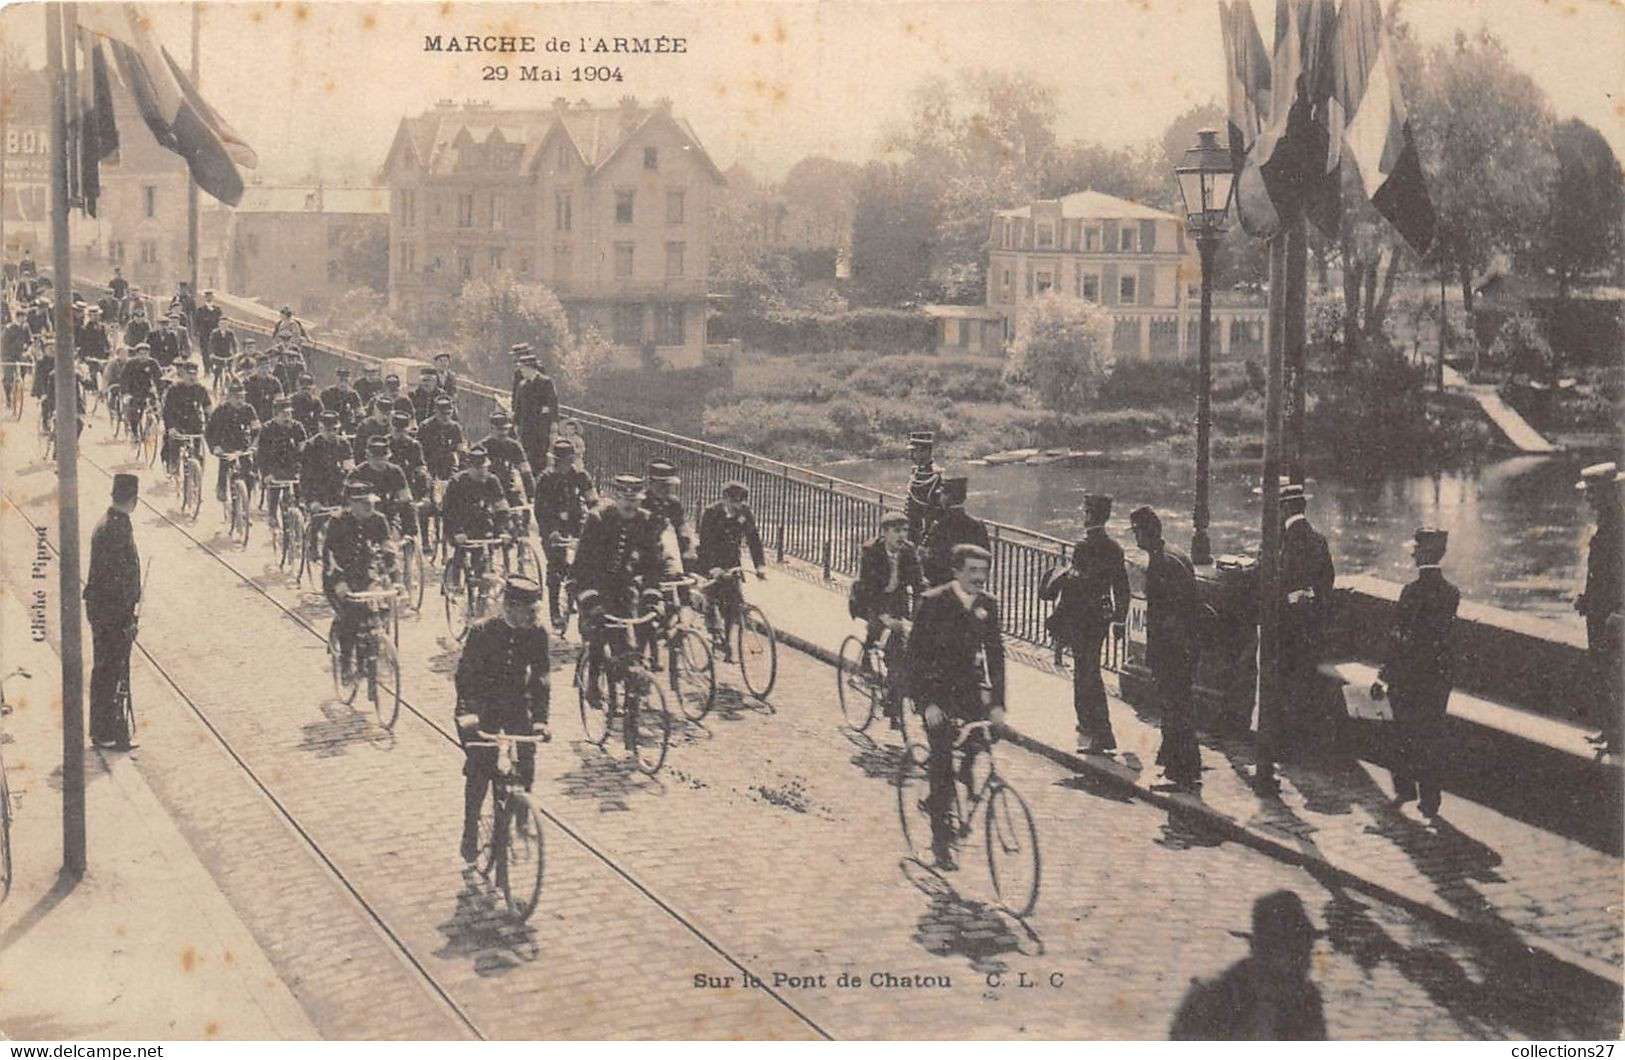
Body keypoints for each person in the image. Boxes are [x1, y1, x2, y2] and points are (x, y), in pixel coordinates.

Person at [907, 543, 1005, 871]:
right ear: (956, 572)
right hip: (937, 692)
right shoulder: (933, 602)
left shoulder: (988, 606)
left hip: (970, 692)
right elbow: (915, 657)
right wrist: (927, 703)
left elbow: (996, 657)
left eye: (984, 572)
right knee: (942, 760)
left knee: (982, 741)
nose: (980, 578)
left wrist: (998, 705)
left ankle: (957, 781)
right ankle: (940, 841)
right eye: (973, 571)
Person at [454, 576, 552, 862]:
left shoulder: (537, 633)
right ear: (510, 607)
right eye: (528, 611)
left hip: (515, 705)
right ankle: (470, 828)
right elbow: (464, 678)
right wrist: (469, 714)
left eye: (536, 610)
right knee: (480, 768)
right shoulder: (482, 632)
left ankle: (520, 815)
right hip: (478, 708)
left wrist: (541, 720)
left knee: (527, 757)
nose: (533, 617)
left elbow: (541, 677)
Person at [1371, 527, 1459, 818]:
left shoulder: (1410, 592)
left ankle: (1404, 788)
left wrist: (1383, 675)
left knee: (1401, 733)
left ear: (1422, 554)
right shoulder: (1451, 594)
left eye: (1415, 550)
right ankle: (1430, 800)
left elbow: (1399, 638)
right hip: (1437, 679)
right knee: (1431, 736)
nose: (1411, 554)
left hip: (1408, 678)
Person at [1040, 492, 1130, 755]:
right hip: (1101, 617)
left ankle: (1099, 731)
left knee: (1086, 673)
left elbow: (1073, 589)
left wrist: (1058, 621)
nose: (1083, 516)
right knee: (1089, 669)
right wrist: (1120, 619)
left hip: (1082, 619)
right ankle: (1088, 725)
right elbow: (1121, 587)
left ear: (1090, 515)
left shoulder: (1083, 546)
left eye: (1085, 511)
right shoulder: (1115, 548)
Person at [1169, 890, 1326, 1040]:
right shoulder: (1211, 1001)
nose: (1304, 965)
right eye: (1293, 955)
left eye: (1306, 953)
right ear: (1261, 951)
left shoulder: (1306, 1002)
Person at [575, 475, 668, 707]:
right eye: (625, 501)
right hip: (592, 583)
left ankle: (634, 676)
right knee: (600, 629)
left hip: (622, 585)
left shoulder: (645, 521)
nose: (629, 507)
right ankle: (593, 682)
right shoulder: (598, 520)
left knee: (635, 631)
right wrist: (591, 601)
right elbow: (582, 566)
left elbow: (653, 563)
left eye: (634, 501)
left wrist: (653, 595)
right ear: (616, 498)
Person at [1131, 505, 1201, 792]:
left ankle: (1178, 774)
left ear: (1145, 532)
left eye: (1136, 531)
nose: (1135, 538)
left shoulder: (1163, 563)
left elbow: (1168, 616)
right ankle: (1185, 768)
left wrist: (1159, 656)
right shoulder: (1174, 554)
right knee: (1179, 709)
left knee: (1174, 710)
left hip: (1173, 652)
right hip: (1183, 650)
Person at [85, 474, 144, 750]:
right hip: (112, 613)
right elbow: (118, 580)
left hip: (102, 610)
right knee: (112, 671)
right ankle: (108, 732)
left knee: (105, 670)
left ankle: (101, 730)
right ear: (133, 500)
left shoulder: (107, 523)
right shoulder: (118, 529)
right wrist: (127, 618)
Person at [1279, 481, 1336, 755]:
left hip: (1285, 624)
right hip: (1311, 625)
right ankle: (1302, 741)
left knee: (1282, 681)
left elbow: (1273, 580)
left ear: (1285, 508)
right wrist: (1310, 597)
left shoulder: (1282, 540)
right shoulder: (1319, 539)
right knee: (1304, 680)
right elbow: (1328, 580)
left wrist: (1289, 599)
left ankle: (1284, 743)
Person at [853, 510, 924, 726]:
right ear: (884, 533)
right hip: (872, 600)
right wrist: (884, 616)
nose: (901, 535)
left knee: (904, 649)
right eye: (896, 531)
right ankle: (866, 660)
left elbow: (919, 583)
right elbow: (867, 587)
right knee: (880, 632)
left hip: (898, 600)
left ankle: (894, 701)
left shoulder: (909, 550)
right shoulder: (871, 551)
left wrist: (924, 611)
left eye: (904, 530)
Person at [322, 482, 396, 683]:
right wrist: (339, 583)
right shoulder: (337, 522)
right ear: (351, 504)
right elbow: (329, 557)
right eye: (364, 504)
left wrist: (391, 563)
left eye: (371, 502)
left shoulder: (379, 520)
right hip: (340, 578)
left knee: (381, 607)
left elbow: (387, 545)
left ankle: (375, 647)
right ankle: (346, 663)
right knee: (351, 616)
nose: (369, 507)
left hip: (366, 576)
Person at [1575, 462, 1623, 755]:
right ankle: (1610, 731)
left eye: (1592, 494)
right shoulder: (1610, 521)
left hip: (1610, 615)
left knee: (1611, 674)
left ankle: (1616, 737)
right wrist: (1587, 598)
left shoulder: (1617, 525)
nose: (1588, 499)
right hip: (1599, 611)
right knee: (1603, 672)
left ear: (1607, 493)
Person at [696, 480, 767, 657]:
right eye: (735, 501)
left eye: (741, 501)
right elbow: (705, 543)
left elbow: (753, 540)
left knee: (733, 603)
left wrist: (760, 566)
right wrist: (713, 568)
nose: (738, 505)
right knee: (712, 598)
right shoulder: (711, 512)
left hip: (732, 562)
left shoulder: (744, 513)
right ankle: (713, 631)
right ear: (725, 499)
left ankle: (727, 642)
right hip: (711, 562)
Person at [534, 438, 597, 629]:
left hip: (576, 524)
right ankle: (554, 610)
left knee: (584, 565)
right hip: (552, 528)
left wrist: (594, 523)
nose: (566, 465)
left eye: (570, 460)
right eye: (562, 461)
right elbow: (540, 510)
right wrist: (551, 532)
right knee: (556, 565)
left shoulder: (581, 476)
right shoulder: (546, 479)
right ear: (555, 460)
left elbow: (592, 501)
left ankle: (579, 602)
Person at [441, 446, 511, 583]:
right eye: (477, 468)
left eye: (483, 468)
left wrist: (503, 529)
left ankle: (482, 586)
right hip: (459, 524)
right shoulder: (456, 482)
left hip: (482, 523)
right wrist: (456, 532)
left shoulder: (492, 480)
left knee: (483, 555)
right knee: (462, 550)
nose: (481, 471)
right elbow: (448, 512)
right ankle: (455, 582)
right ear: (469, 467)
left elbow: (501, 506)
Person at [921, 477, 990, 587]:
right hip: (970, 585)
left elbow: (931, 563)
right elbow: (986, 558)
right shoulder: (978, 525)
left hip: (943, 587)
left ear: (948, 497)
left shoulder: (939, 526)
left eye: (942, 495)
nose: (940, 498)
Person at [347, 435, 414, 541]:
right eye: (376, 459)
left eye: (383, 458)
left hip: (389, 515)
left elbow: (405, 496)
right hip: (364, 517)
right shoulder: (357, 473)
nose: (380, 462)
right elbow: (348, 499)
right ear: (368, 457)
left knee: (408, 507)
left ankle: (409, 537)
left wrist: (401, 501)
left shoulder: (395, 471)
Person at [205, 380, 261, 503]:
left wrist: (253, 446)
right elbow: (209, 431)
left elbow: (257, 430)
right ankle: (221, 488)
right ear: (229, 398)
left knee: (250, 474)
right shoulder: (221, 410)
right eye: (236, 398)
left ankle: (246, 505)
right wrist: (214, 447)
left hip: (243, 446)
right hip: (226, 445)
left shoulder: (249, 409)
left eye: (242, 397)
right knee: (225, 465)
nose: (240, 400)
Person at [257, 397, 309, 527]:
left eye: (290, 414)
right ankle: (272, 515)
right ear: (276, 415)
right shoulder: (267, 429)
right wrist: (266, 474)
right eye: (284, 414)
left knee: (300, 493)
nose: (288, 417)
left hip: (293, 466)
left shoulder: (297, 427)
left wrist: (306, 470)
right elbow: (262, 455)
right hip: (274, 467)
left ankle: (302, 519)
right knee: (275, 488)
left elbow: (304, 449)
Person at [386, 410, 431, 549]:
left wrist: (422, 477)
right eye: (396, 430)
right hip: (387, 487)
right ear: (391, 427)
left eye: (402, 431)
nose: (399, 434)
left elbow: (420, 466)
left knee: (418, 510)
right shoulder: (384, 444)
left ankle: (424, 538)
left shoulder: (413, 445)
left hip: (408, 486)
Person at [160, 360, 212, 476]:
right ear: (183, 374)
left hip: (194, 423)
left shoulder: (200, 389)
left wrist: (209, 422)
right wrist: (171, 427)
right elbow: (167, 411)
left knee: (197, 448)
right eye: (189, 374)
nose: (192, 377)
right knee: (173, 442)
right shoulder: (174, 389)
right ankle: (173, 465)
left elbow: (207, 406)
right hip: (177, 422)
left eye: (194, 374)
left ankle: (195, 473)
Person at [641, 459, 693, 575]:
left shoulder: (672, 503)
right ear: (651, 483)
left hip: (660, 553)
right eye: (661, 486)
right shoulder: (641, 502)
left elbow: (681, 528)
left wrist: (688, 552)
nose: (666, 490)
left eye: (669, 486)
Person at [512, 350, 559, 475]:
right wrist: (516, 424)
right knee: (526, 455)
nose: (521, 371)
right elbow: (518, 407)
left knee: (540, 456)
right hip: (526, 428)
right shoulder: (522, 385)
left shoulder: (546, 382)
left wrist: (554, 422)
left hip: (541, 429)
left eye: (522, 368)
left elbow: (553, 404)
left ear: (530, 368)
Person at [300, 411, 354, 511]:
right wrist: (311, 501)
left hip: (338, 492)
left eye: (335, 429)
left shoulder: (344, 444)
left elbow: (350, 472)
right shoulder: (311, 446)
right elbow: (305, 478)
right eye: (328, 430)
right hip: (318, 494)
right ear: (320, 428)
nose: (332, 433)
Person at [481, 410, 535, 507]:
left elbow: (526, 472)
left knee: (519, 511)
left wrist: (531, 495)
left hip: (508, 488)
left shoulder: (514, 446)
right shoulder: (483, 447)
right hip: (487, 489)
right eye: (500, 429)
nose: (504, 433)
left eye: (506, 429)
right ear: (492, 428)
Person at [905, 430, 944, 547]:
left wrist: (925, 542)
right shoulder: (917, 472)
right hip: (910, 533)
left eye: (915, 451)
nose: (911, 456)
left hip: (923, 537)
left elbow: (935, 512)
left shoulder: (935, 476)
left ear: (926, 451)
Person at [419, 395, 465, 484]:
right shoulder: (425, 427)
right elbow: (419, 450)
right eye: (442, 414)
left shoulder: (455, 428)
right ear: (435, 412)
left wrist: (458, 469)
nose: (445, 417)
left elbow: (460, 449)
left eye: (448, 413)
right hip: (430, 464)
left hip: (448, 466)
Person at [120, 342, 162, 437]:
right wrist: (126, 393)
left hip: (148, 390)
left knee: (156, 409)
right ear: (136, 354)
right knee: (134, 411)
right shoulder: (130, 364)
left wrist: (158, 391)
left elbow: (159, 378)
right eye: (141, 354)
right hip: (134, 391)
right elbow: (124, 378)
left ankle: (148, 429)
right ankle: (135, 432)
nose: (143, 356)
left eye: (145, 354)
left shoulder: (153, 363)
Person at [320, 366, 363, 435]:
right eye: (340, 380)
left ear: (349, 381)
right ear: (335, 380)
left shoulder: (353, 394)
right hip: (330, 425)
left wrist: (357, 420)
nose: (343, 383)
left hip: (348, 426)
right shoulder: (327, 393)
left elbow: (359, 411)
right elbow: (323, 412)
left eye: (346, 380)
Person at [243, 355, 285, 425]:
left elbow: (280, 403)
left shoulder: (274, 382)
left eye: (267, 368)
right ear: (256, 368)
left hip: (270, 419)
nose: (265, 371)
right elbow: (243, 403)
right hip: (251, 419)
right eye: (262, 368)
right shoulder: (248, 382)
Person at [77, 305, 110, 389]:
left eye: (97, 315)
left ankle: (105, 390)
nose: (96, 317)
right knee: (93, 372)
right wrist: (84, 356)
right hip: (89, 355)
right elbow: (80, 344)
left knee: (107, 372)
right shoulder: (84, 329)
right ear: (89, 316)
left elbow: (105, 340)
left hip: (101, 354)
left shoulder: (101, 327)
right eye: (93, 316)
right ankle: (93, 388)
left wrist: (108, 351)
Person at [206, 320, 238, 391]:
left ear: (228, 325)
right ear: (219, 324)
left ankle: (232, 386)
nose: (223, 325)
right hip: (218, 355)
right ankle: (215, 387)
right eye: (222, 324)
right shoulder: (214, 333)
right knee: (218, 371)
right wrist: (211, 353)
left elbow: (234, 343)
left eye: (225, 324)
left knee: (230, 371)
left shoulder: (230, 333)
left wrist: (235, 353)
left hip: (228, 355)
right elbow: (211, 343)